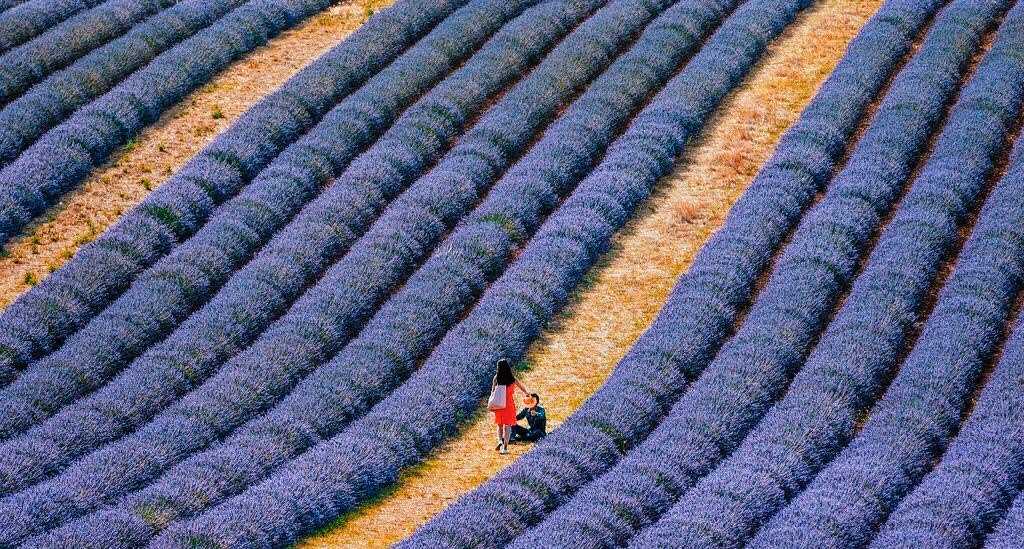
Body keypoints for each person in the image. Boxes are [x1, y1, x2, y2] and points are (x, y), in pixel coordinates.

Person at [491, 358, 529, 455]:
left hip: (499, 404)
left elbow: (492, 392)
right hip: (508, 405)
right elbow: (522, 387)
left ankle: (500, 440)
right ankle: (505, 448)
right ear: (508, 368)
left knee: (499, 425)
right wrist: (527, 393)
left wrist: (492, 402)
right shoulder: (513, 379)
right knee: (507, 427)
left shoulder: (496, 378)